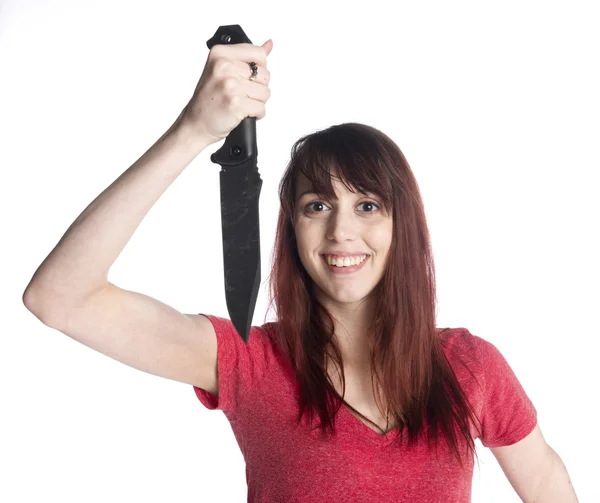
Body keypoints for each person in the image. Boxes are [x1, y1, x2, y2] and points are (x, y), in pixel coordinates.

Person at [22, 39, 577, 502]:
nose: (341, 231)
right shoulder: (248, 363)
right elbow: (60, 297)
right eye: (317, 206)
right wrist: (192, 131)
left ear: (401, 225)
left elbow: (546, 477)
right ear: (292, 228)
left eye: (367, 206)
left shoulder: (469, 366)